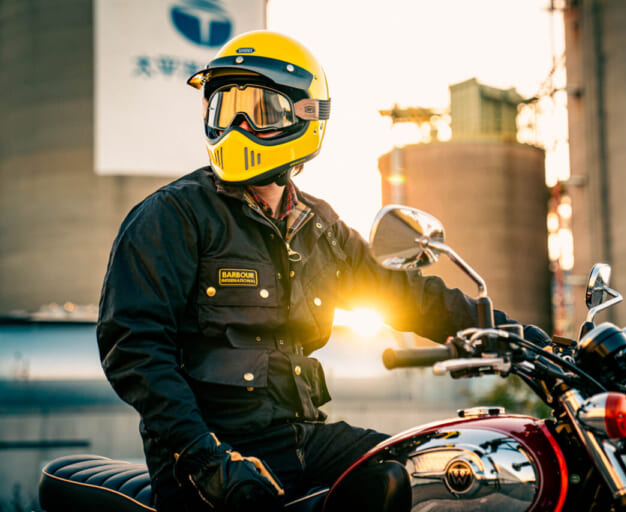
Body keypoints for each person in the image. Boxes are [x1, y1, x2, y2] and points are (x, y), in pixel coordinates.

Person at [97, 30, 548, 511]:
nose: (238, 125)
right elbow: (135, 346)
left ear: (305, 114)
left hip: (302, 438)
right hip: (205, 455)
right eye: (224, 109)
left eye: (258, 109)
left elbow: (409, 295)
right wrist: (204, 457)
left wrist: (534, 343)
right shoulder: (174, 216)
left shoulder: (322, 226)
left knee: (436, 474)